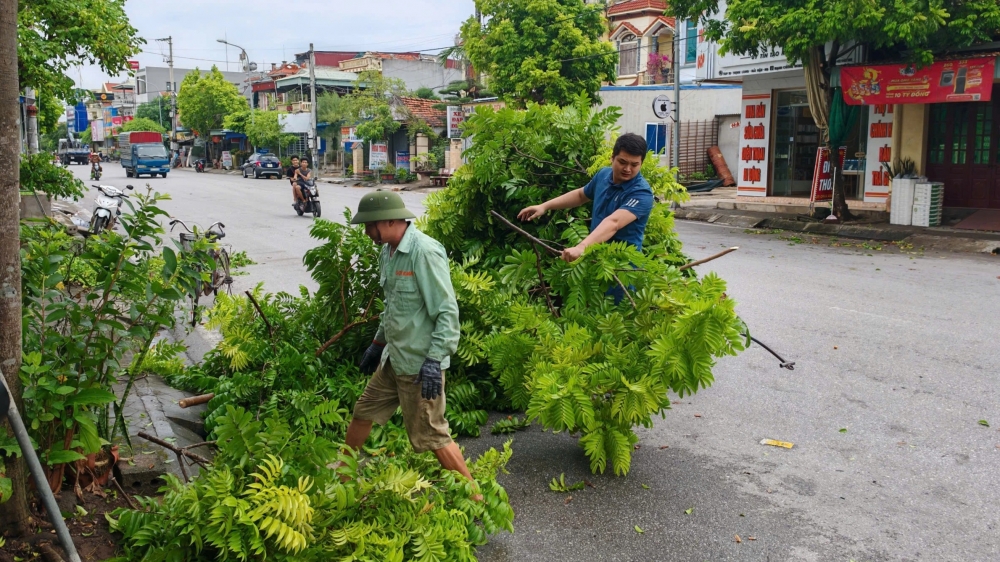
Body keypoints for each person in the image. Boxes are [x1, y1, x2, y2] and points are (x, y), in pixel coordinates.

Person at [341, 191, 481, 500]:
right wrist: (377, 344)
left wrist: (434, 360)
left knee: (432, 435)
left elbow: (446, 312)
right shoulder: (387, 251)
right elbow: (393, 306)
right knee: (363, 411)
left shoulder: (424, 252)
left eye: (370, 226)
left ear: (391, 220)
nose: (367, 233)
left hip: (420, 366)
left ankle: (476, 499)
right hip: (393, 360)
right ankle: (342, 475)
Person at [517, 133, 653, 262]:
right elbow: (581, 195)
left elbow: (614, 223)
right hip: (594, 257)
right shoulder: (603, 175)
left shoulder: (641, 193)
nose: (628, 169)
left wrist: (581, 247)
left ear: (641, 163)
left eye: (634, 165)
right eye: (622, 162)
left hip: (622, 266)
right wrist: (544, 206)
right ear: (612, 157)